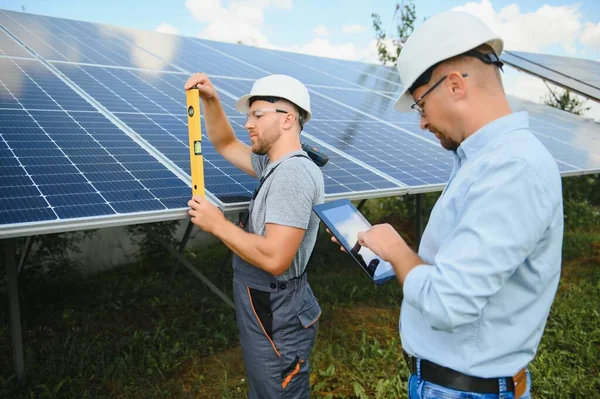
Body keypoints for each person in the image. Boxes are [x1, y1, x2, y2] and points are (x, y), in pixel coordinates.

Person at [330, 11, 563, 399]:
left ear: (454, 85)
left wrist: (397, 250)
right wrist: (390, 253)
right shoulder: (485, 162)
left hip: (465, 390)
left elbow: (448, 303)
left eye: (421, 105)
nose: (422, 122)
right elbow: (456, 276)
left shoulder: (511, 169)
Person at [184, 73, 325, 398]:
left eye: (257, 115)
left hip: (276, 308)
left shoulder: (292, 175)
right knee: (267, 389)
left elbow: (275, 258)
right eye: (249, 115)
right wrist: (211, 100)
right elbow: (225, 143)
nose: (248, 123)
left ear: (288, 119)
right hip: (269, 305)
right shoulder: (276, 163)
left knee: (277, 391)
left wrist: (217, 224)